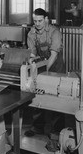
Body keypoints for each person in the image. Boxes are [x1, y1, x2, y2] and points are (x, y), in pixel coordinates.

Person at [24, 8, 66, 138]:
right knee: (38, 96)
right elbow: (32, 53)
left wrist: (44, 70)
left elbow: (53, 55)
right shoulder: (31, 34)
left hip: (55, 68)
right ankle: (38, 127)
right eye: (35, 21)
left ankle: (57, 130)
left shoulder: (55, 32)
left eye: (40, 21)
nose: (37, 24)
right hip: (41, 67)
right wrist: (31, 66)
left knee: (57, 99)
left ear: (46, 19)